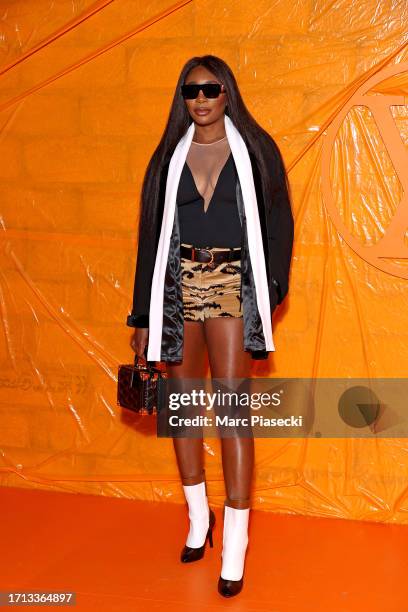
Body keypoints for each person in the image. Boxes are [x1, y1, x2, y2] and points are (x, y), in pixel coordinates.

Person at [127, 55, 294, 598]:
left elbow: (280, 221)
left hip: (232, 279)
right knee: (179, 406)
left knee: (231, 404)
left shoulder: (256, 149)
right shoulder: (166, 158)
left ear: (228, 93)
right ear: (183, 98)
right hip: (176, 282)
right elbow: (150, 235)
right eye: (190, 91)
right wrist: (142, 315)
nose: (200, 98)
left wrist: (269, 292)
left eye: (211, 88)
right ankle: (199, 519)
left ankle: (237, 544)